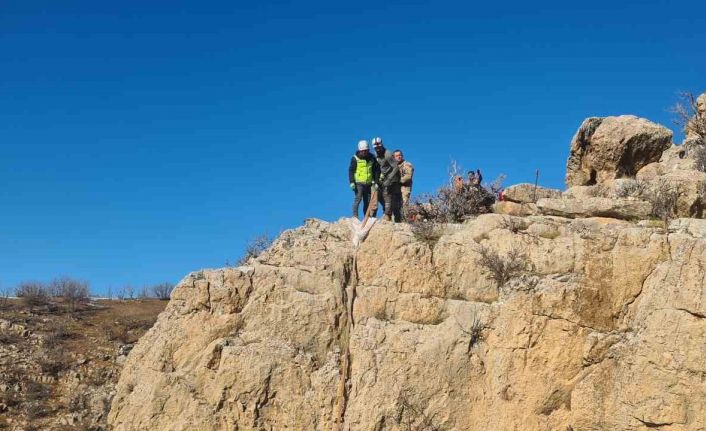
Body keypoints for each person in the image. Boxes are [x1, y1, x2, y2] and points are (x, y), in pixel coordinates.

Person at [372, 137, 402, 222]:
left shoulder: (387, 154)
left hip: (392, 177)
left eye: (379, 147)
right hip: (383, 178)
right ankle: (386, 213)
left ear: (381, 145)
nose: (378, 149)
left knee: (387, 195)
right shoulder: (376, 154)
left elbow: (395, 167)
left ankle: (388, 216)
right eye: (376, 148)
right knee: (380, 196)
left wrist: (389, 179)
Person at [348, 140, 379, 219]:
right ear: (359, 150)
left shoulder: (372, 158)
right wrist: (352, 182)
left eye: (366, 151)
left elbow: (376, 170)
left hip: (368, 183)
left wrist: (376, 182)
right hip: (358, 183)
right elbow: (351, 170)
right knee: (358, 199)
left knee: (367, 202)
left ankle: (367, 217)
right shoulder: (355, 158)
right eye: (363, 151)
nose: (365, 152)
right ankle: (355, 217)